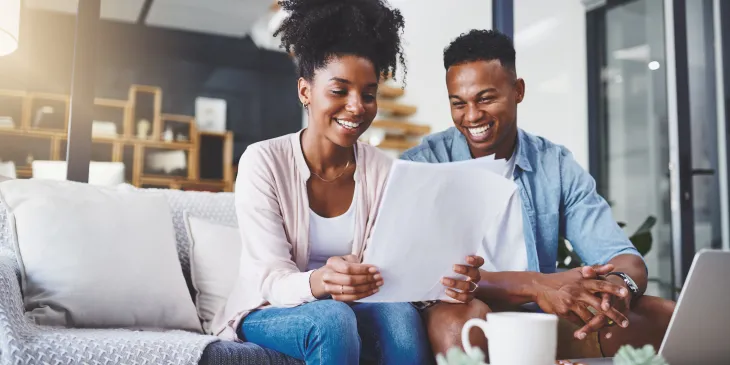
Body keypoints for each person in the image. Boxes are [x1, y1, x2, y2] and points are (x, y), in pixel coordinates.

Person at [401, 29, 676, 359]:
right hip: (463, 312)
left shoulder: (553, 164)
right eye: (459, 103)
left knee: (661, 316)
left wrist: (617, 289)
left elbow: (624, 258)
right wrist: (536, 284)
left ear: (518, 90)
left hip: (538, 314)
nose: (471, 116)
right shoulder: (423, 165)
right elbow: (432, 277)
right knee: (460, 318)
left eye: (486, 99)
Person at [210, 1, 441, 364]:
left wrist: (442, 277)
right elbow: (270, 277)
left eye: (368, 94)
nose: (356, 107)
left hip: (352, 305)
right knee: (332, 319)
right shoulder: (263, 162)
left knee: (400, 317)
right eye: (339, 90)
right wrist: (320, 281)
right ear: (305, 91)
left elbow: (396, 266)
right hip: (268, 307)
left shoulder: (384, 171)